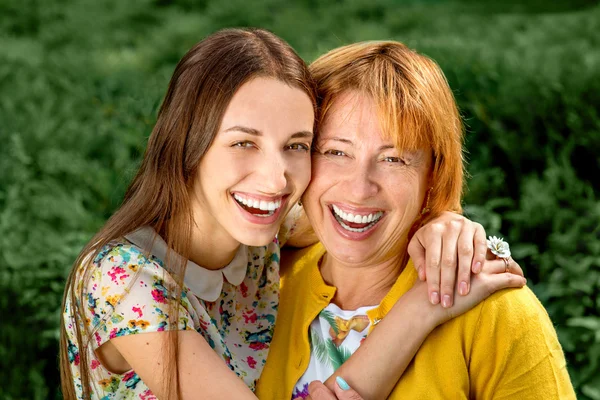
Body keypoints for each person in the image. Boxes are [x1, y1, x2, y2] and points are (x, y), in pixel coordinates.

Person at [60, 28, 516, 400]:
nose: (277, 180)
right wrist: (421, 308)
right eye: (244, 143)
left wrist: (441, 222)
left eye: (297, 145)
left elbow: (360, 209)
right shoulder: (123, 281)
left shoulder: (265, 233)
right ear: (187, 144)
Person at [256, 41, 576, 399]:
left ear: (434, 175)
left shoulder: (498, 313)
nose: (360, 189)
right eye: (335, 152)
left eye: (394, 159)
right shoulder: (261, 286)